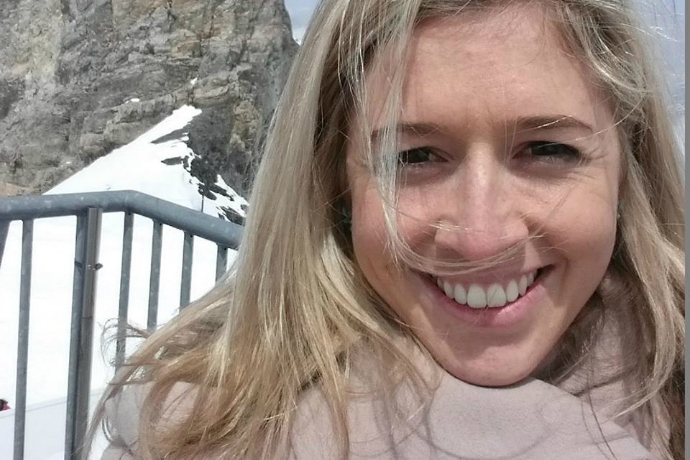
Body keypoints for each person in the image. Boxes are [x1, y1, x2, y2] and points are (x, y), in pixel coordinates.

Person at [90, 0, 685, 459]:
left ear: (629, 171)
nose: (482, 237)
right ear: (333, 185)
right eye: (414, 157)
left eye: (548, 149)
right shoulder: (187, 435)